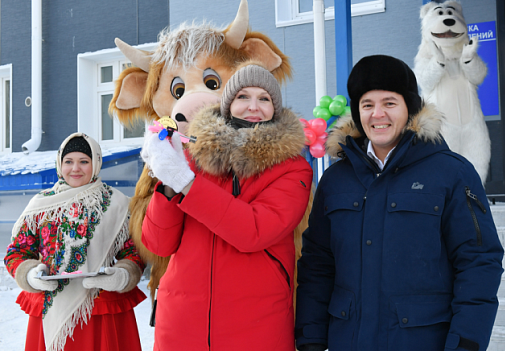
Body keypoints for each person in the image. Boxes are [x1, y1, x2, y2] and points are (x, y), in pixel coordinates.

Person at [295, 55, 504, 351]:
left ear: (410, 108)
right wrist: (310, 338)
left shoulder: (452, 173)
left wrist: (466, 344)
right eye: (367, 105)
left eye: (389, 103)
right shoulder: (335, 180)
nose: (378, 114)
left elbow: (478, 263)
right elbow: (317, 266)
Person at [140, 63, 313, 350]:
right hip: (181, 326)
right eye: (243, 96)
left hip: (257, 326)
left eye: (264, 98)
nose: (253, 106)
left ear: (275, 108)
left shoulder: (292, 169)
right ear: (228, 103)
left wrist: (186, 182)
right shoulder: (194, 158)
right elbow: (158, 243)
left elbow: (254, 231)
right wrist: (168, 181)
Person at [4, 133, 146, 351]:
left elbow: (134, 252)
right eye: (68, 161)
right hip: (52, 308)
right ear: (60, 164)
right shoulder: (40, 205)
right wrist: (30, 275)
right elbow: (17, 251)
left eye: (84, 161)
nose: (75, 168)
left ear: (96, 163)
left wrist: (122, 275)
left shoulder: (117, 204)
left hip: (100, 309)